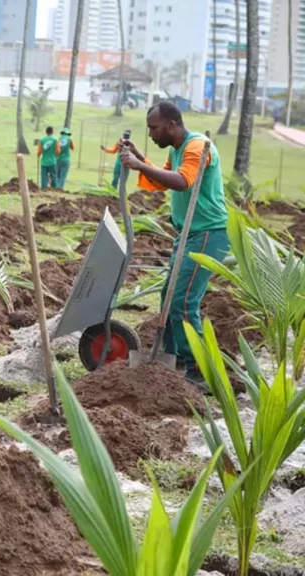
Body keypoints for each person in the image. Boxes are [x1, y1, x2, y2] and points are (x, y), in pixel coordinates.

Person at [119, 101, 229, 386]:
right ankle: (173, 358)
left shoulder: (196, 146)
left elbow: (182, 182)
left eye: (154, 128)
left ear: (171, 125)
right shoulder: (177, 149)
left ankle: (200, 370)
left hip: (207, 233)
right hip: (189, 234)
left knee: (183, 301)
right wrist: (139, 157)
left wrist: (139, 164)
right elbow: (162, 181)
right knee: (169, 295)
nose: (152, 134)